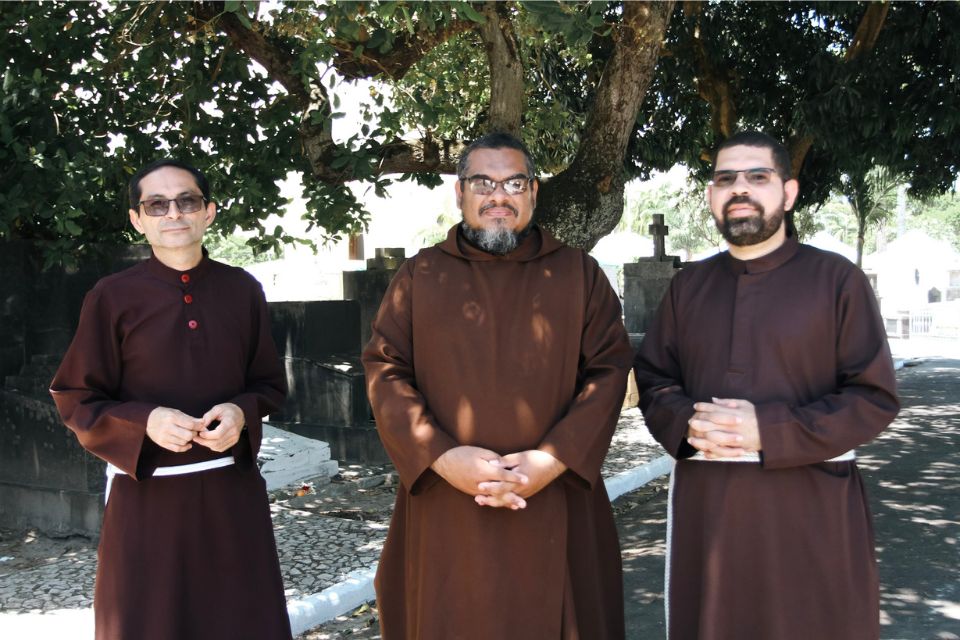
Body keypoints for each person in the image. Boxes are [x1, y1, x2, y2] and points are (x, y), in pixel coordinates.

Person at [362, 132, 633, 639]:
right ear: (460, 193)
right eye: (482, 182)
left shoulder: (580, 275)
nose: (498, 196)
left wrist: (551, 460)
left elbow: (609, 371)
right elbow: (385, 369)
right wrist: (441, 456)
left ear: (533, 192)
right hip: (448, 499)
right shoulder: (420, 277)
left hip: (554, 496)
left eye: (513, 182)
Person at [633, 131, 900, 639]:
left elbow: (873, 397)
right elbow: (654, 377)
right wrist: (686, 423)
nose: (740, 189)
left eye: (758, 176)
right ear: (712, 195)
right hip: (709, 508)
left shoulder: (837, 280)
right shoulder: (688, 287)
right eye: (725, 178)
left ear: (789, 192)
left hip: (809, 507)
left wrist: (768, 431)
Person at [50, 160, 292, 640]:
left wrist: (240, 412)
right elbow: (76, 398)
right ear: (138, 220)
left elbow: (268, 385)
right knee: (152, 623)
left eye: (187, 201)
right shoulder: (112, 297)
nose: (174, 213)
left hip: (232, 493)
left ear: (209, 213)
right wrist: (146, 421)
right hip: (147, 497)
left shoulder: (242, 289)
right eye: (157, 204)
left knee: (241, 621)